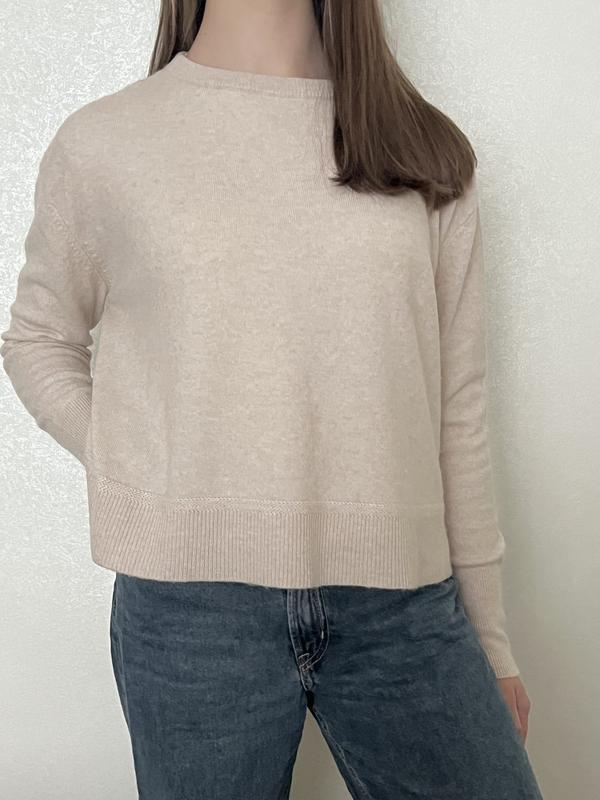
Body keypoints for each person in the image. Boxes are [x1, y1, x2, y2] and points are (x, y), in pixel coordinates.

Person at [1, 1, 545, 798]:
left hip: (405, 608)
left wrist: (491, 643)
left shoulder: (422, 152)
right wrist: (140, 466)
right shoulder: (106, 144)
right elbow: (37, 339)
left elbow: (457, 410)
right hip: (191, 611)